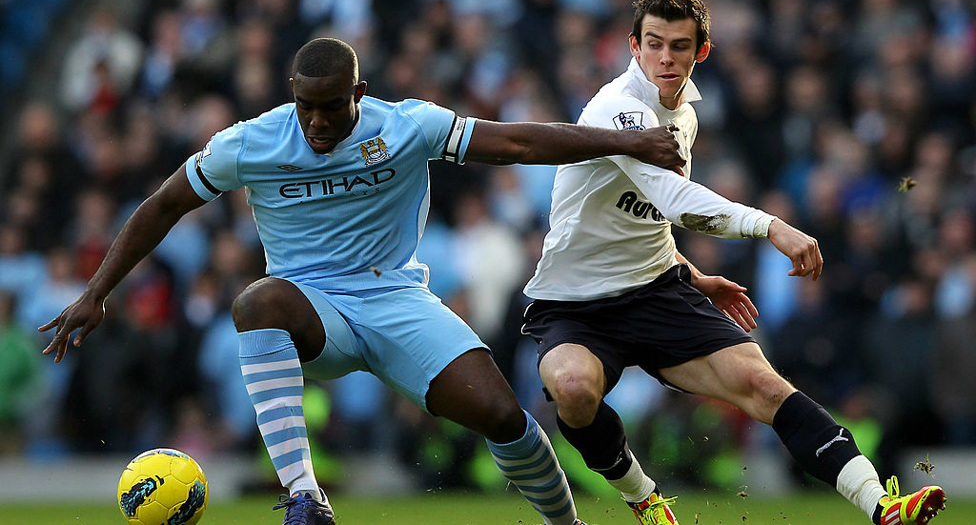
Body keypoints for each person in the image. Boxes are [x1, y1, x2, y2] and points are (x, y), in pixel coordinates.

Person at [38, 37, 688, 525]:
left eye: (330, 108)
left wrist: (624, 143)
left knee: (503, 418)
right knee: (256, 300)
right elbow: (162, 205)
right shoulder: (250, 142)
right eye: (305, 108)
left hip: (397, 298)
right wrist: (96, 292)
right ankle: (304, 494)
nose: (316, 123)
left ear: (359, 92)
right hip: (312, 307)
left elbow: (517, 143)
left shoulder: (405, 125)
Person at [521, 0, 946, 525]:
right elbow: (674, 201)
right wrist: (770, 226)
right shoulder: (616, 109)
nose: (665, 58)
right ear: (633, 46)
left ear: (701, 51)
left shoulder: (686, 115)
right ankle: (642, 496)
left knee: (764, 385)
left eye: (679, 46)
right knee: (574, 390)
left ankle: (882, 504)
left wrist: (691, 274)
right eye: (653, 43)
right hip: (573, 303)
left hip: (656, 289)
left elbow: (642, 220)